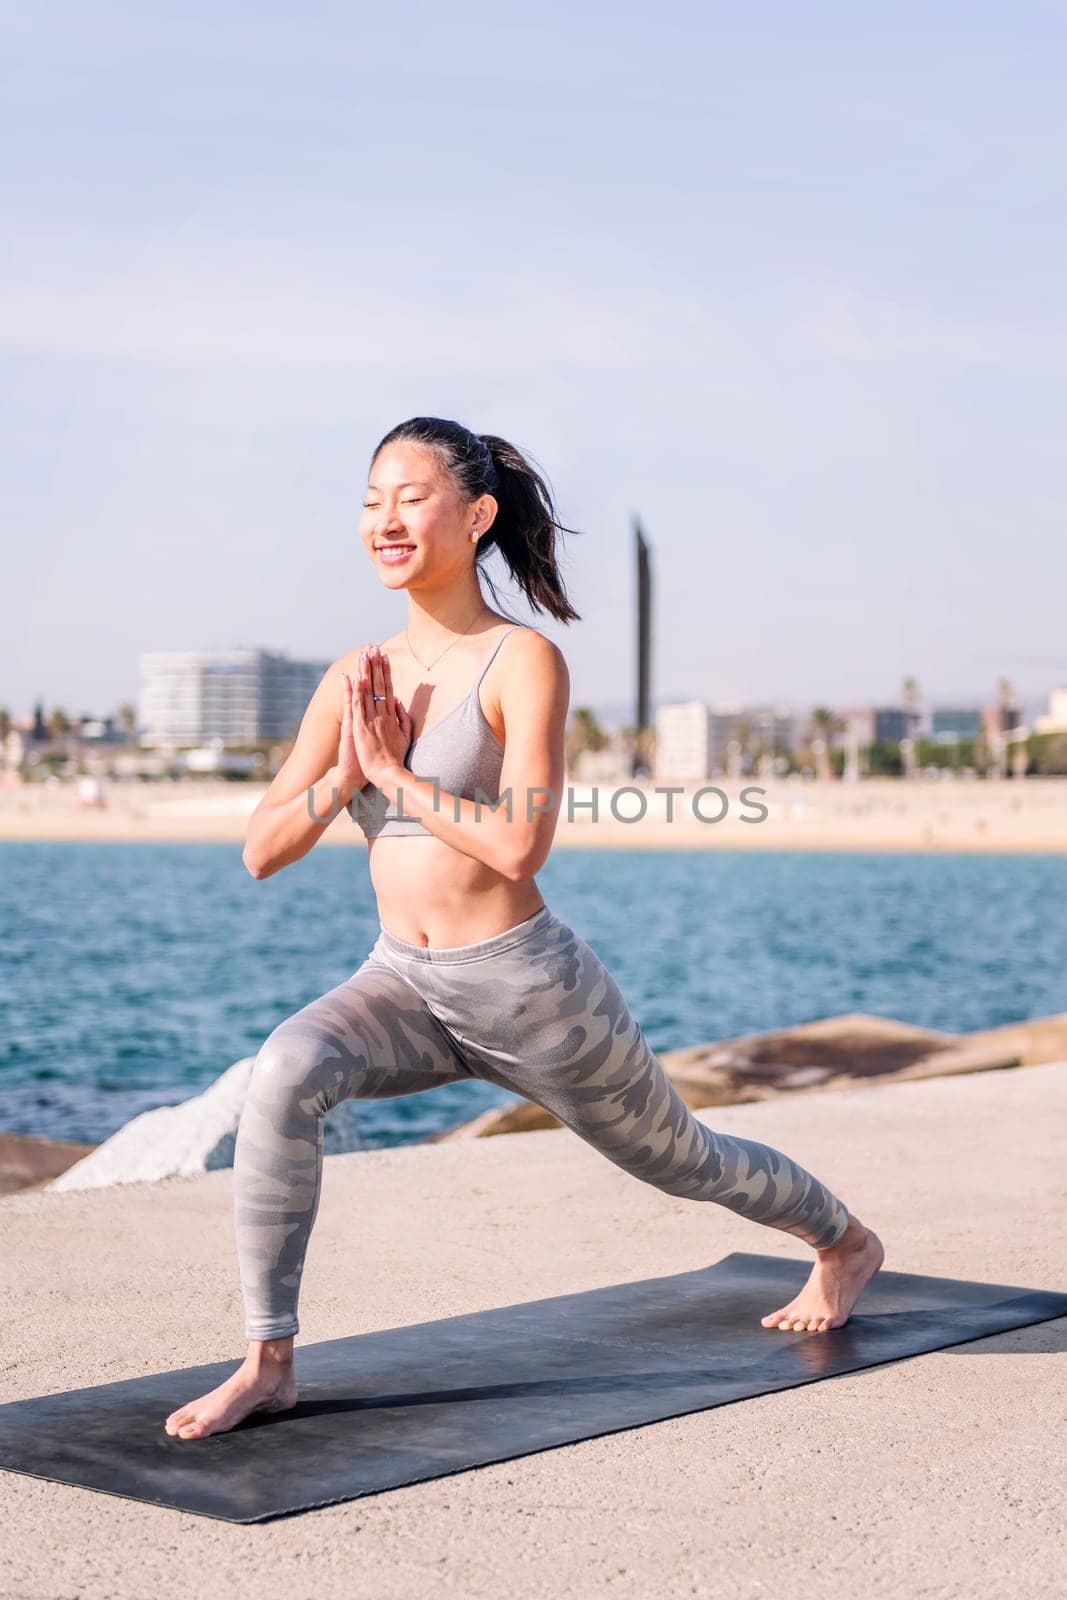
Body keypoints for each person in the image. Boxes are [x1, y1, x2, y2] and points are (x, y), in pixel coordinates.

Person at [164, 417, 884, 1441]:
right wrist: (345, 771)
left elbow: (518, 847)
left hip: (530, 990)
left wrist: (402, 776)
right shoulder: (351, 679)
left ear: (476, 515)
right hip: (403, 983)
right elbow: (261, 848)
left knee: (684, 1158)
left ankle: (843, 1241)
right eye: (371, 501)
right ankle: (268, 1360)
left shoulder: (520, 661)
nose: (385, 519)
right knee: (285, 1068)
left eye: (410, 497)